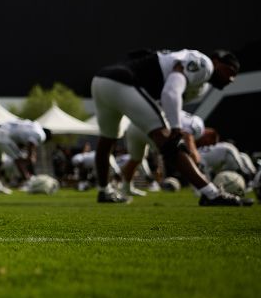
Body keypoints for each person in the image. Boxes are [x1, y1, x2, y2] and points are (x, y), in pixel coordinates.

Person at [91, 48, 249, 205]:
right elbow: (171, 92)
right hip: (123, 82)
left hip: (100, 81)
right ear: (216, 61)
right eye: (230, 71)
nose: (232, 78)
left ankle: (104, 191)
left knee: (107, 140)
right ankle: (211, 194)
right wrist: (175, 127)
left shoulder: (200, 83)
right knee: (170, 143)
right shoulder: (205, 65)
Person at [0, 119, 50, 194]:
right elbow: (31, 143)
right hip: (3, 133)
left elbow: (20, 140)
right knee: (18, 159)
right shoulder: (41, 134)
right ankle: (29, 183)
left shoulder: (32, 126)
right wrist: (31, 156)